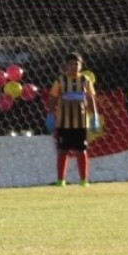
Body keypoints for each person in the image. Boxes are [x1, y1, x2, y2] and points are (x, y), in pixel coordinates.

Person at [46, 52, 99, 187]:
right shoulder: (60, 81)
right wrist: (51, 114)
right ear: (66, 66)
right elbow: (53, 98)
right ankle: (60, 180)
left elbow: (90, 98)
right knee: (63, 150)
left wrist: (94, 116)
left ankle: (83, 180)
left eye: (77, 64)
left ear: (81, 66)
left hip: (81, 122)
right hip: (63, 122)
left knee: (81, 151)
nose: (74, 67)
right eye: (71, 64)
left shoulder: (85, 80)